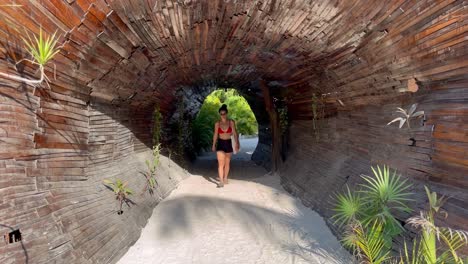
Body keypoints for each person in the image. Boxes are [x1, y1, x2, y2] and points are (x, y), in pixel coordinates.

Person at [212, 104, 240, 188]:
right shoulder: (217, 123)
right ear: (219, 114)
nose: (223, 115)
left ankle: (225, 178)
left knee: (227, 163)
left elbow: (235, 133)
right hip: (220, 143)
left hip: (228, 143)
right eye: (221, 114)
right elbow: (215, 134)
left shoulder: (231, 122)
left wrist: (237, 143)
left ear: (226, 114)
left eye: (224, 114)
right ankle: (221, 181)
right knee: (221, 164)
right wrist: (213, 144)